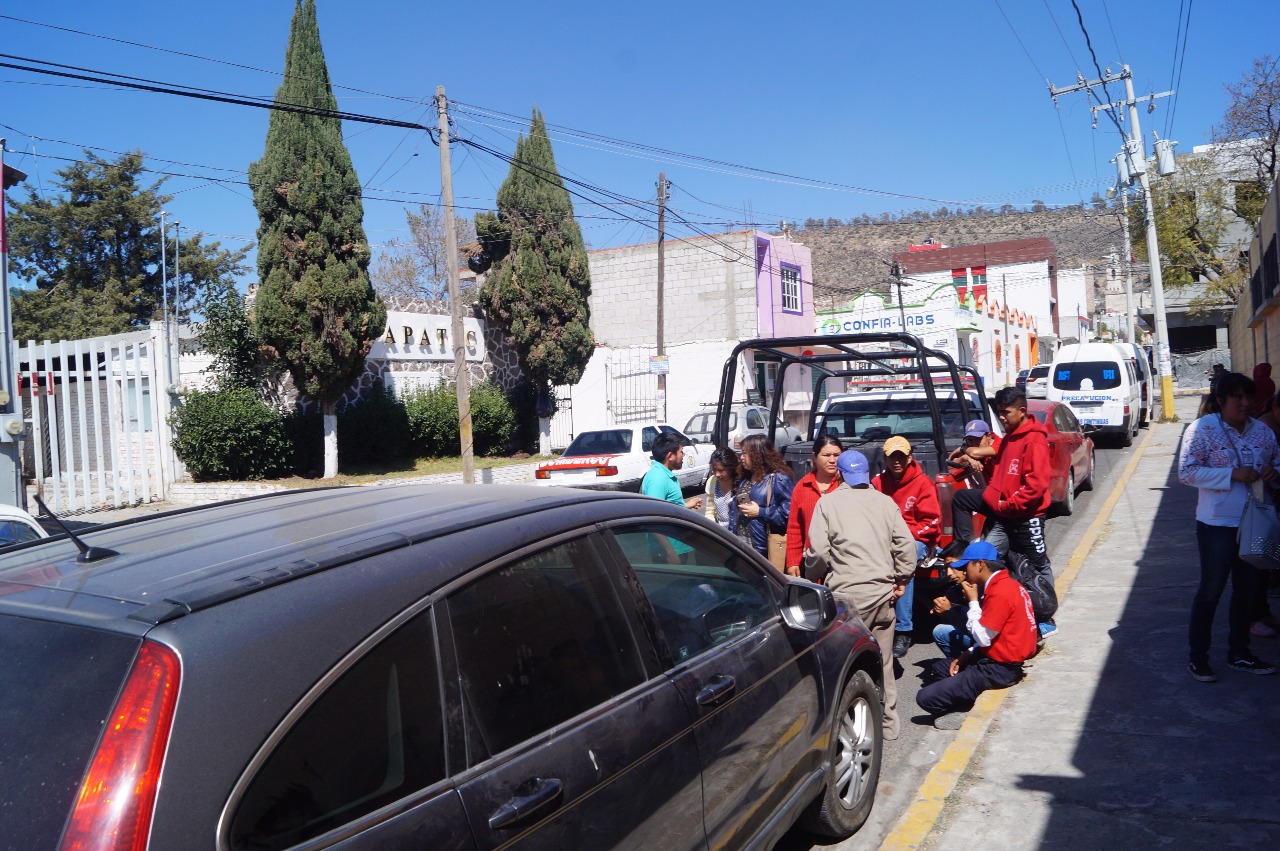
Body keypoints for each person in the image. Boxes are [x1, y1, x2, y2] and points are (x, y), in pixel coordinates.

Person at [805, 450, 915, 740]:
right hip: (882, 595)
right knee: (885, 661)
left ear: (840, 474)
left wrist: (810, 576)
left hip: (848, 601)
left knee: (844, 666)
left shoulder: (827, 504)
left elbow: (817, 553)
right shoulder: (885, 502)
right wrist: (901, 579)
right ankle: (890, 723)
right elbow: (907, 547)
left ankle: (850, 728)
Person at [1178, 371, 1280, 681]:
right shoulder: (1202, 430)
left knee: (1247, 591)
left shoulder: (1263, 433)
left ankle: (1240, 652)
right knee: (1211, 590)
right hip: (1217, 525)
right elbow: (1187, 472)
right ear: (1220, 401)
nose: (1245, 403)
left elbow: (1276, 461)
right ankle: (1198, 657)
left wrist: (1273, 472)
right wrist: (1231, 475)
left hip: (1255, 523)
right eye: (1236, 397)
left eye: (1248, 397)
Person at [950, 386, 1056, 638]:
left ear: (1021, 411)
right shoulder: (1008, 438)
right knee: (990, 560)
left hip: (1026, 516)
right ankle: (1005, 612)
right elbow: (999, 476)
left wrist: (1007, 505)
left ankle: (1047, 617)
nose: (1002, 418)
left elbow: (1037, 485)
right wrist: (995, 501)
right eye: (999, 413)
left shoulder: (1035, 439)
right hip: (1004, 516)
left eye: (1006, 413)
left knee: (1037, 565)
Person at [915, 541, 1037, 729]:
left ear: (980, 564)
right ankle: (961, 700)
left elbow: (983, 636)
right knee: (941, 668)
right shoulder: (1004, 584)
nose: (962, 571)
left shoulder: (1000, 591)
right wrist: (967, 654)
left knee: (925, 698)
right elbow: (992, 635)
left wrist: (973, 602)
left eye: (966, 566)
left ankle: (967, 710)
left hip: (999, 668)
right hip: (989, 657)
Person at [872, 435, 941, 659]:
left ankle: (903, 629)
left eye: (902, 456)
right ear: (885, 458)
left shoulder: (923, 483)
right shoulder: (877, 484)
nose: (897, 461)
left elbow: (932, 522)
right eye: (893, 456)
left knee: (904, 557)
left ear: (910, 457)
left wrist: (902, 538)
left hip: (918, 541)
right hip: (885, 541)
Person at [784, 435, 844, 577]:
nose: (832, 460)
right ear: (814, 457)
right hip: (812, 562)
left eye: (837, 455)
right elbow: (794, 527)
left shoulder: (846, 485)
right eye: (826, 455)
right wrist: (792, 561)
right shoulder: (802, 487)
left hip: (842, 562)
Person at [735, 434, 794, 562]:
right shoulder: (745, 477)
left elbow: (787, 515)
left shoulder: (778, 478)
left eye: (745, 453)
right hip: (740, 543)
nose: (741, 457)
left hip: (761, 549)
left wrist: (760, 512)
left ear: (757, 454)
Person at [640, 432, 703, 510]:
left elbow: (669, 508)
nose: (683, 455)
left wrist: (687, 505)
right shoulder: (658, 479)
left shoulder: (661, 474)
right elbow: (655, 514)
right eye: (681, 451)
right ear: (670, 456)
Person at [702, 447, 743, 534]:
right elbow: (710, 511)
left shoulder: (742, 484)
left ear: (731, 468)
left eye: (721, 470)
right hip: (721, 535)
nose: (717, 474)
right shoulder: (712, 481)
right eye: (714, 470)